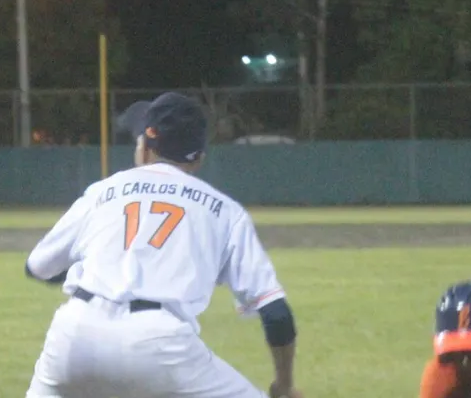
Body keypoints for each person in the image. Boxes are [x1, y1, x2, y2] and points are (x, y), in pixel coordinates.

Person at [24, 92, 302, 398]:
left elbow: (38, 267)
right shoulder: (226, 211)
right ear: (198, 158)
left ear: (144, 148)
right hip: (160, 345)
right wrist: (284, 385)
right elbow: (276, 314)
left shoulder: (102, 192)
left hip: (74, 335)